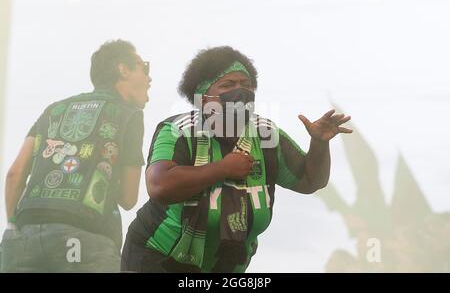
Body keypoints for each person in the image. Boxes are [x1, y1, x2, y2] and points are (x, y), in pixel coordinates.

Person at [121, 46, 352, 273]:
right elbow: (160, 186)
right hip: (157, 259)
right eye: (228, 85)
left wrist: (320, 144)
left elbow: (310, 181)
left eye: (246, 84)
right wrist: (223, 168)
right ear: (203, 96)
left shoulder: (266, 135)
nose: (240, 91)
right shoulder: (178, 130)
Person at [1, 39, 151, 272]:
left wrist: (13, 228)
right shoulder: (128, 115)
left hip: (24, 236)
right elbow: (128, 198)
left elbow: (15, 174)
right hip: (87, 240)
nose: (149, 78)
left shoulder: (53, 110)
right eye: (144, 68)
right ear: (123, 69)